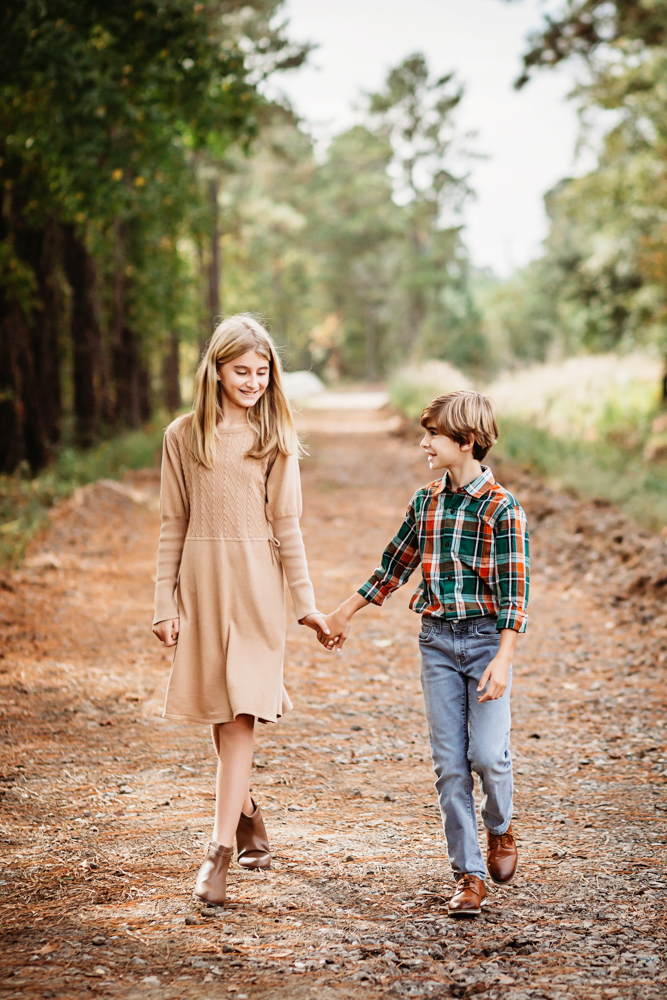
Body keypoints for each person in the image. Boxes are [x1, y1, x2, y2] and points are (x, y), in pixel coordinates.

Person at [317, 390, 529, 916]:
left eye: (433, 435)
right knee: (450, 766)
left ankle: (500, 827)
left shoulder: (503, 510)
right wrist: (346, 610)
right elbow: (394, 565)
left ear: (466, 441)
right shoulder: (426, 500)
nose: (424, 443)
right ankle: (469, 875)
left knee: (487, 756)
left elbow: (515, 594)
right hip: (436, 640)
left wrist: (503, 659)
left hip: (485, 644)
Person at [152, 313, 328, 905]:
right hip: (201, 585)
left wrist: (305, 604)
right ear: (217, 371)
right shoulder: (183, 436)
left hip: (257, 585)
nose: (252, 381)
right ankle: (247, 809)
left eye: (261, 371)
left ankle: (217, 852)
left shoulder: (274, 436)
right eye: (240, 371)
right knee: (218, 711)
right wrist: (163, 603)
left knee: (239, 716)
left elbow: (289, 526)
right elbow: (172, 523)